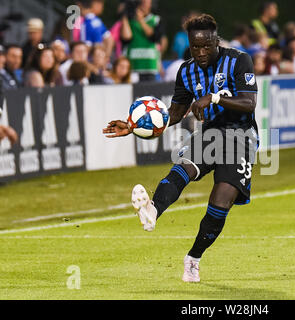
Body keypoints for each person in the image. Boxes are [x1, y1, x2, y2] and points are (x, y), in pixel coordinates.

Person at [103, 14, 259, 283]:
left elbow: (249, 103)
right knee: (185, 167)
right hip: (210, 134)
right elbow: (174, 113)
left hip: (240, 137)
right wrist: (134, 125)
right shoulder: (186, 71)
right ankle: (152, 210)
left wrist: (215, 97)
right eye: (194, 47)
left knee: (220, 203)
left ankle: (193, 259)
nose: (200, 53)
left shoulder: (238, 60)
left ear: (215, 41)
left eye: (205, 47)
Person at [121, 0, 167, 82]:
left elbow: (154, 37)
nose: (143, 3)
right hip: (133, 67)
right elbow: (126, 38)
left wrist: (141, 20)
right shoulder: (130, 20)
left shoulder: (156, 20)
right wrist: (124, 16)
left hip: (149, 66)